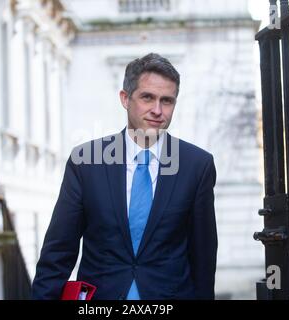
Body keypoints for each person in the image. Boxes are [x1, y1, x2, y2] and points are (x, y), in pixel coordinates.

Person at [32, 53, 217, 300]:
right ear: (125, 98)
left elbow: (203, 258)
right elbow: (58, 252)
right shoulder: (86, 162)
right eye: (147, 97)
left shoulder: (197, 166)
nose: (157, 110)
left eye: (167, 101)